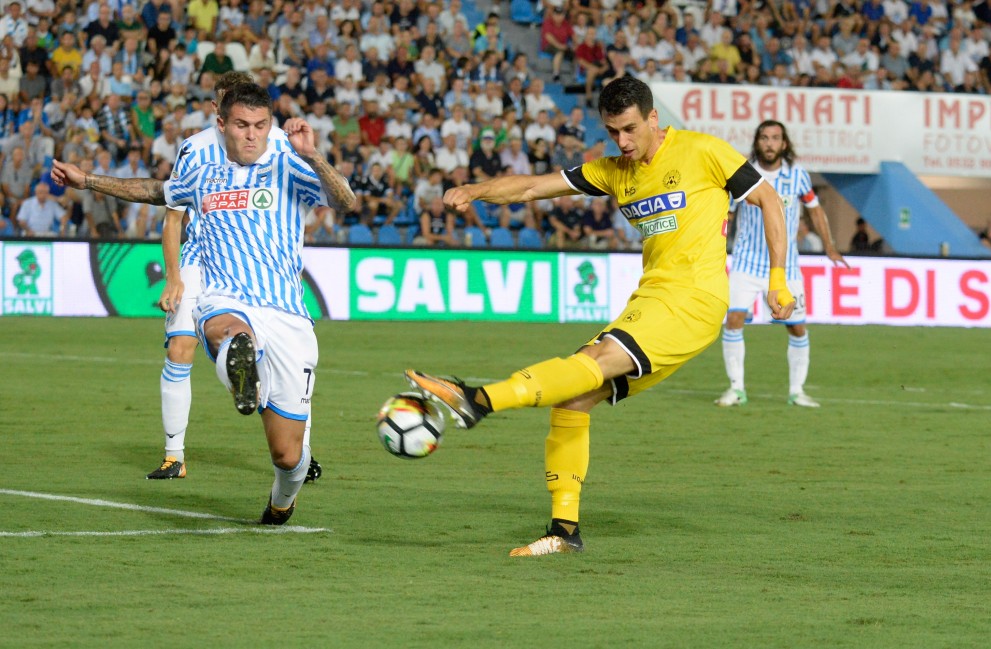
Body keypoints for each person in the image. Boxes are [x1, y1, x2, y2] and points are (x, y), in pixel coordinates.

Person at [405, 77, 794, 557]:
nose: (623, 143)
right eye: (613, 132)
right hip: (650, 302)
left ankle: (478, 399)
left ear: (654, 118)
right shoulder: (613, 170)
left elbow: (770, 200)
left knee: (596, 357)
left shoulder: (704, 152)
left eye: (630, 129)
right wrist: (475, 189)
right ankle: (564, 532)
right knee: (572, 400)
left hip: (694, 300)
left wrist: (778, 280)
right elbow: (530, 187)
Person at [51, 83, 356, 524]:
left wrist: (313, 155)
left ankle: (281, 502)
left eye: (260, 126)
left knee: (288, 456)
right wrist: (89, 180)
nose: (252, 135)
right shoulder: (203, 172)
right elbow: (156, 190)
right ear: (221, 125)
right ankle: (239, 363)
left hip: (288, 317)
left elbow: (346, 202)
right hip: (226, 300)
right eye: (241, 125)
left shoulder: (290, 163)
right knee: (223, 328)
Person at [145, 71, 324, 484]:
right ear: (219, 112)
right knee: (180, 347)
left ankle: (302, 448)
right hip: (200, 256)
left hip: (260, 266)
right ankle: (175, 454)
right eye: (232, 112)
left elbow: (306, 192)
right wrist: (173, 276)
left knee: (288, 352)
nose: (245, 129)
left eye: (254, 120)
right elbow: (173, 214)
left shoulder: (278, 142)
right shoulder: (193, 149)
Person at [715, 120, 849, 410]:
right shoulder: (742, 174)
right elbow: (727, 213)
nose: (769, 143)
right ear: (757, 142)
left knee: (796, 328)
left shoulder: (798, 176)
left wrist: (829, 246)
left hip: (786, 268)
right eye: (764, 138)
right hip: (746, 263)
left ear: (784, 144)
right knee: (734, 320)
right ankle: (736, 388)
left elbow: (815, 210)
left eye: (775, 138)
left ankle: (796, 391)